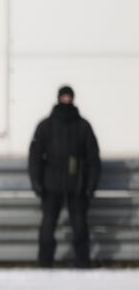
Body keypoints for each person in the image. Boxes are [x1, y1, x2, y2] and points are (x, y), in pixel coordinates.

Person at [29, 85, 102, 268]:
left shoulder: (83, 126)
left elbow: (93, 157)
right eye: (64, 96)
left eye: (69, 97)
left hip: (77, 186)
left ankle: (83, 263)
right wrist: (36, 182)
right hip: (51, 185)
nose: (66, 100)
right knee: (47, 228)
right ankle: (44, 264)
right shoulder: (46, 126)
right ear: (58, 98)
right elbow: (35, 156)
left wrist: (91, 185)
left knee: (80, 228)